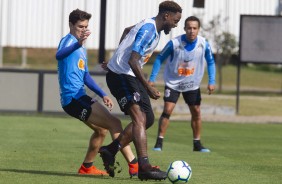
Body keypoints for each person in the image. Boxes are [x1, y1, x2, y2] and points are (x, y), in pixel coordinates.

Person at [98, 1, 182, 181]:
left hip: (129, 75)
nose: (176, 25)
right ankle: (143, 166)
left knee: (148, 119)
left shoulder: (151, 26)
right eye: (176, 20)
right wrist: (148, 86)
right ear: (166, 16)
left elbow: (128, 31)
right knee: (139, 117)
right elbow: (133, 60)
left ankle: (110, 150)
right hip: (121, 75)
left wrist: (116, 56)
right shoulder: (149, 30)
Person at [55, 9, 138, 177]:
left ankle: (87, 167)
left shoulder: (80, 48)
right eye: (80, 26)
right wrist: (77, 44)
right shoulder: (69, 41)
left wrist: (103, 94)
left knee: (101, 130)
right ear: (71, 25)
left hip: (79, 97)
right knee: (114, 123)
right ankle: (135, 165)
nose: (83, 30)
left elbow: (85, 75)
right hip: (73, 98)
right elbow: (58, 55)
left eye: (86, 27)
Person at [149, 16, 216, 152]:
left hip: (192, 84)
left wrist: (211, 81)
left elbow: (210, 61)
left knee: (196, 112)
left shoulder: (204, 44)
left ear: (198, 30)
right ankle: (159, 142)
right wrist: (152, 78)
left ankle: (197, 144)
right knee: (167, 110)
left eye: (194, 28)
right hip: (173, 83)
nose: (192, 31)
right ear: (185, 29)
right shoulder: (174, 43)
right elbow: (159, 58)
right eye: (189, 28)